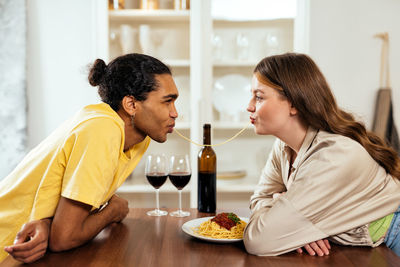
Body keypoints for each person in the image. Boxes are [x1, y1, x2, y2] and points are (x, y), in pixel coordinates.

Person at [0, 53, 179, 263]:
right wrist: (112, 211)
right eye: (167, 102)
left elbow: (71, 216)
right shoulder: (102, 130)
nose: (175, 113)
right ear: (131, 105)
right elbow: (64, 238)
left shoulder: (137, 138)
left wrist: (49, 224)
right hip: (8, 247)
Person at [243, 53, 400, 257]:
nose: (249, 106)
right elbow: (258, 200)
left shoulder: (333, 156)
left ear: (294, 104)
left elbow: (259, 240)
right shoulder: (282, 147)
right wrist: (294, 223)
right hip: (360, 247)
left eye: (259, 96)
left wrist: (291, 222)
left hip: (391, 240)